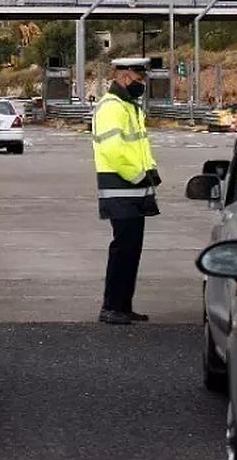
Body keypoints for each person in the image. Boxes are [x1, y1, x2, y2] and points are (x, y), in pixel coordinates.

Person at [91, 57, 160, 325]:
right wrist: (138, 175)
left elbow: (139, 146)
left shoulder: (129, 106)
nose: (142, 84)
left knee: (132, 250)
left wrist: (150, 171)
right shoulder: (111, 107)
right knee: (123, 248)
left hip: (134, 190)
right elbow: (113, 150)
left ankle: (123, 305)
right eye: (139, 78)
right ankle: (111, 306)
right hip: (121, 189)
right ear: (125, 76)